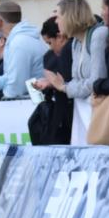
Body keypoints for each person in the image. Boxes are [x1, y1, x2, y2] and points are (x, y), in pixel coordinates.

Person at [41, 0, 107, 100]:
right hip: (86, 112)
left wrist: (65, 88)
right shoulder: (76, 42)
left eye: (58, 17)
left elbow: (96, 81)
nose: (56, 22)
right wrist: (61, 85)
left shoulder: (98, 35)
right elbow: (76, 80)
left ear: (69, 16)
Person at [0, 1, 45, 99]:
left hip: (34, 104)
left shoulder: (19, 42)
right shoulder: (18, 39)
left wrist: (6, 102)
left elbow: (16, 86)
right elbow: (14, 76)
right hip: (35, 100)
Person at [30, 16, 73, 145]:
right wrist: (45, 84)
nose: (50, 47)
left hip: (74, 110)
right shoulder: (48, 57)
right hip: (58, 113)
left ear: (60, 37)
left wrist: (52, 83)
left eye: (50, 43)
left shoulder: (74, 50)